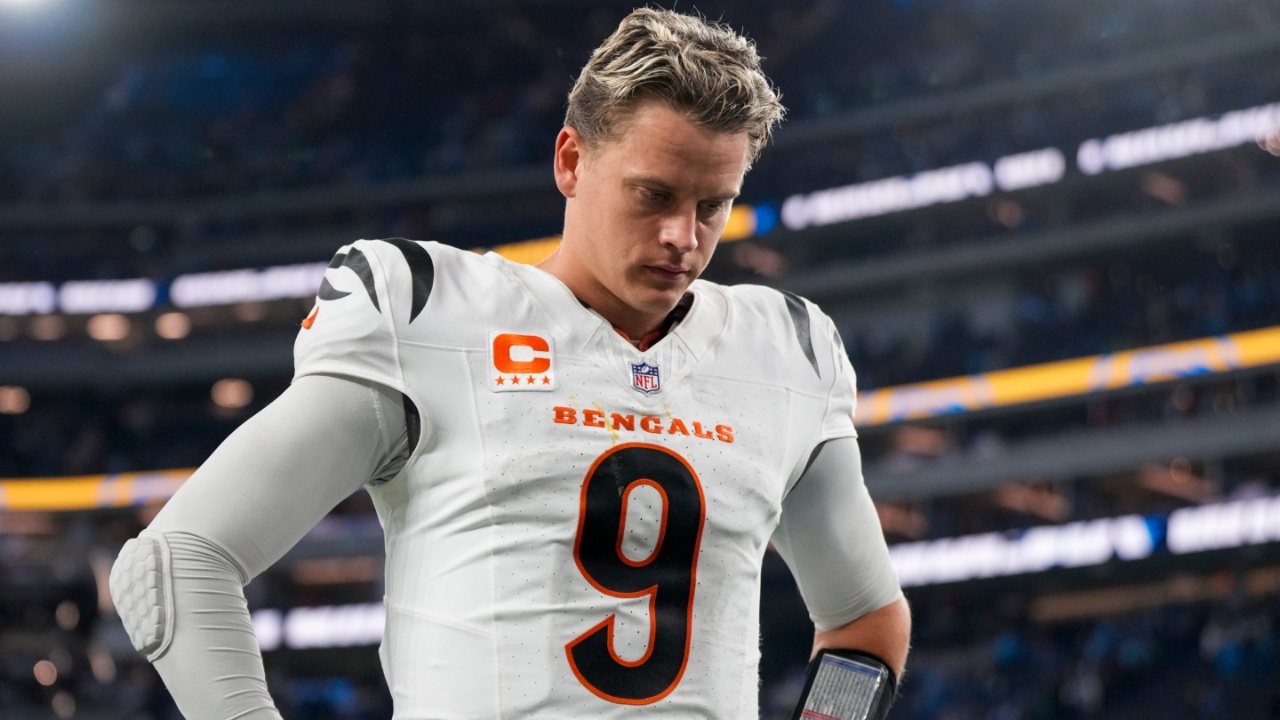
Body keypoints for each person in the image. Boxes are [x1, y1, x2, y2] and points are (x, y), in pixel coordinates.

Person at [109, 8, 909, 719]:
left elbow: (865, 621)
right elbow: (177, 561)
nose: (682, 236)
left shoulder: (786, 350)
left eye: (712, 206)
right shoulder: (430, 313)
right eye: (653, 195)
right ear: (571, 161)